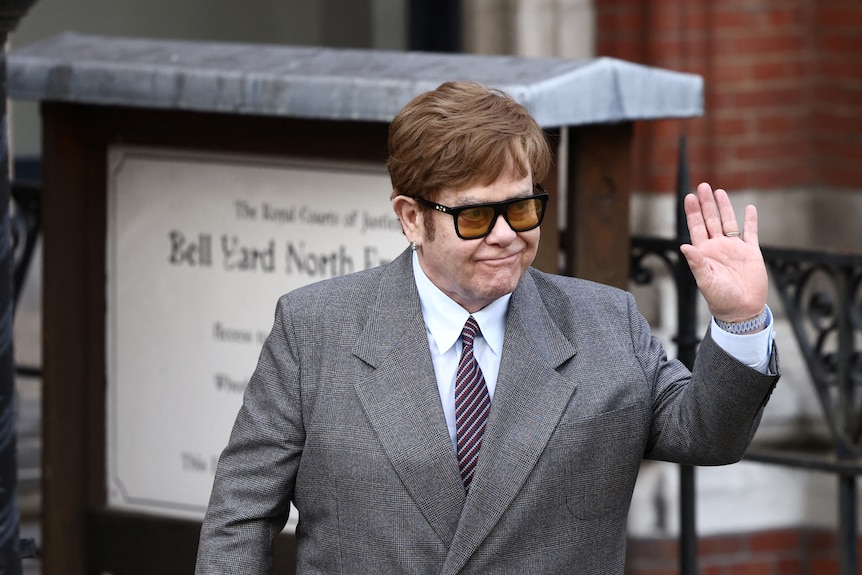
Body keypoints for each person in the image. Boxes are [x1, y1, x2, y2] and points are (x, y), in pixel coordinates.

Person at [195, 81, 779, 575]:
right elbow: (242, 514)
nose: (506, 235)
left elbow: (710, 434)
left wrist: (738, 319)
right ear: (412, 219)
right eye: (476, 215)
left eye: (522, 209)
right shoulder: (314, 328)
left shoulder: (606, 321)